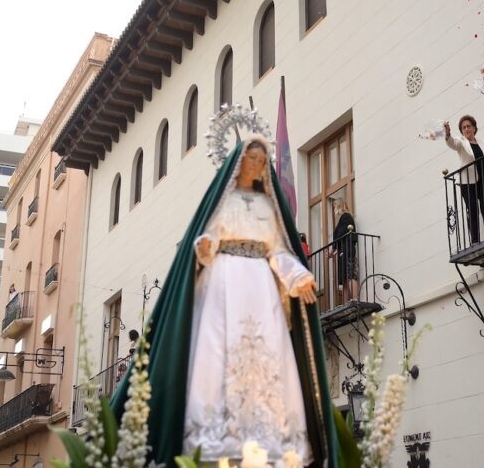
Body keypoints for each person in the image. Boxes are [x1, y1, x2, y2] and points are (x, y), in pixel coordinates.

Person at [111, 136, 338, 467]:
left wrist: (296, 276)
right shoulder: (223, 202)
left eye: (261, 162)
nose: (255, 166)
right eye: (250, 160)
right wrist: (204, 247)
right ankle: (216, 437)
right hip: (223, 283)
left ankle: (270, 441)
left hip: (261, 288)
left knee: (266, 357)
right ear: (238, 163)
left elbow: (278, 250)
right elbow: (208, 235)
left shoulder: (267, 207)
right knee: (218, 352)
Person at [443, 116, 484, 244]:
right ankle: (475, 240)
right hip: (468, 182)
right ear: (461, 131)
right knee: (472, 210)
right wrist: (448, 133)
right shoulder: (461, 142)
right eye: (464, 127)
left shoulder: (482, 142)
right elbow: (451, 143)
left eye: (469, 126)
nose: (467, 129)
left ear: (474, 128)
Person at [330, 199, 358, 301]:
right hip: (344, 250)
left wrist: (333, 249)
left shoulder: (345, 216)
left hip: (347, 249)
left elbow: (340, 234)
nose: (334, 209)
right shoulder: (344, 218)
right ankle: (346, 302)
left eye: (334, 206)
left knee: (350, 275)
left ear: (339, 206)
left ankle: (354, 299)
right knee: (345, 278)